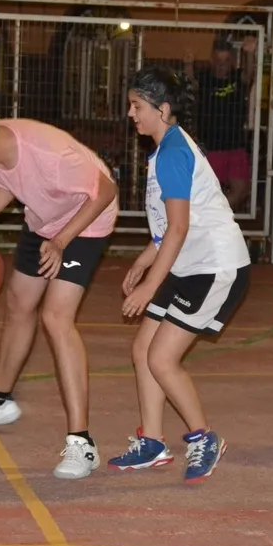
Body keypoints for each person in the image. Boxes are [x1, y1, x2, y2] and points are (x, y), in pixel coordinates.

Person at [0, 106, 118, 480]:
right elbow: (9, 185)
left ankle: (82, 443)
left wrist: (62, 241)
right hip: (44, 220)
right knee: (19, 302)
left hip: (86, 221)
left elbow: (105, 190)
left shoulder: (52, 154)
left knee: (56, 317)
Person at [108, 65, 251, 484]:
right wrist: (143, 260)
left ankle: (204, 437)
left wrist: (150, 284)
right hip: (187, 262)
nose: (131, 114)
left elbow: (179, 228)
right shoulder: (165, 148)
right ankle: (153, 443)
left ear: (163, 108)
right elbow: (168, 228)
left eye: (137, 106)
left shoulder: (172, 152)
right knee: (143, 350)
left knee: (161, 358)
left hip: (214, 265)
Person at [183, 36, 257, 211]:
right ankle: (207, 216)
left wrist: (249, 54)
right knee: (206, 192)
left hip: (235, 145)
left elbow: (249, 75)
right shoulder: (205, 78)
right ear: (212, 59)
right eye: (218, 60)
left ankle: (213, 214)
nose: (222, 65)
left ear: (232, 60)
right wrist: (188, 64)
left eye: (226, 60)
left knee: (242, 190)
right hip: (211, 146)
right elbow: (191, 84)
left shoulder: (237, 77)